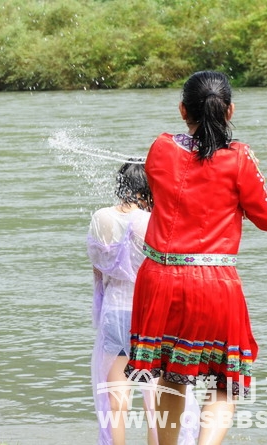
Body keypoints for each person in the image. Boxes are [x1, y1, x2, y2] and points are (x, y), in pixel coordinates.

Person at [125, 71, 267, 445]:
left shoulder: (161, 147)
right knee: (225, 382)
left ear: (183, 110)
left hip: (160, 280)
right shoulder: (239, 157)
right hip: (215, 284)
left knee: (171, 377)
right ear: (230, 111)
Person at [88, 160, 157, 445]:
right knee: (155, 396)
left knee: (116, 396)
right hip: (148, 313)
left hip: (114, 311)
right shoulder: (151, 220)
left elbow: (97, 270)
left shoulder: (100, 217)